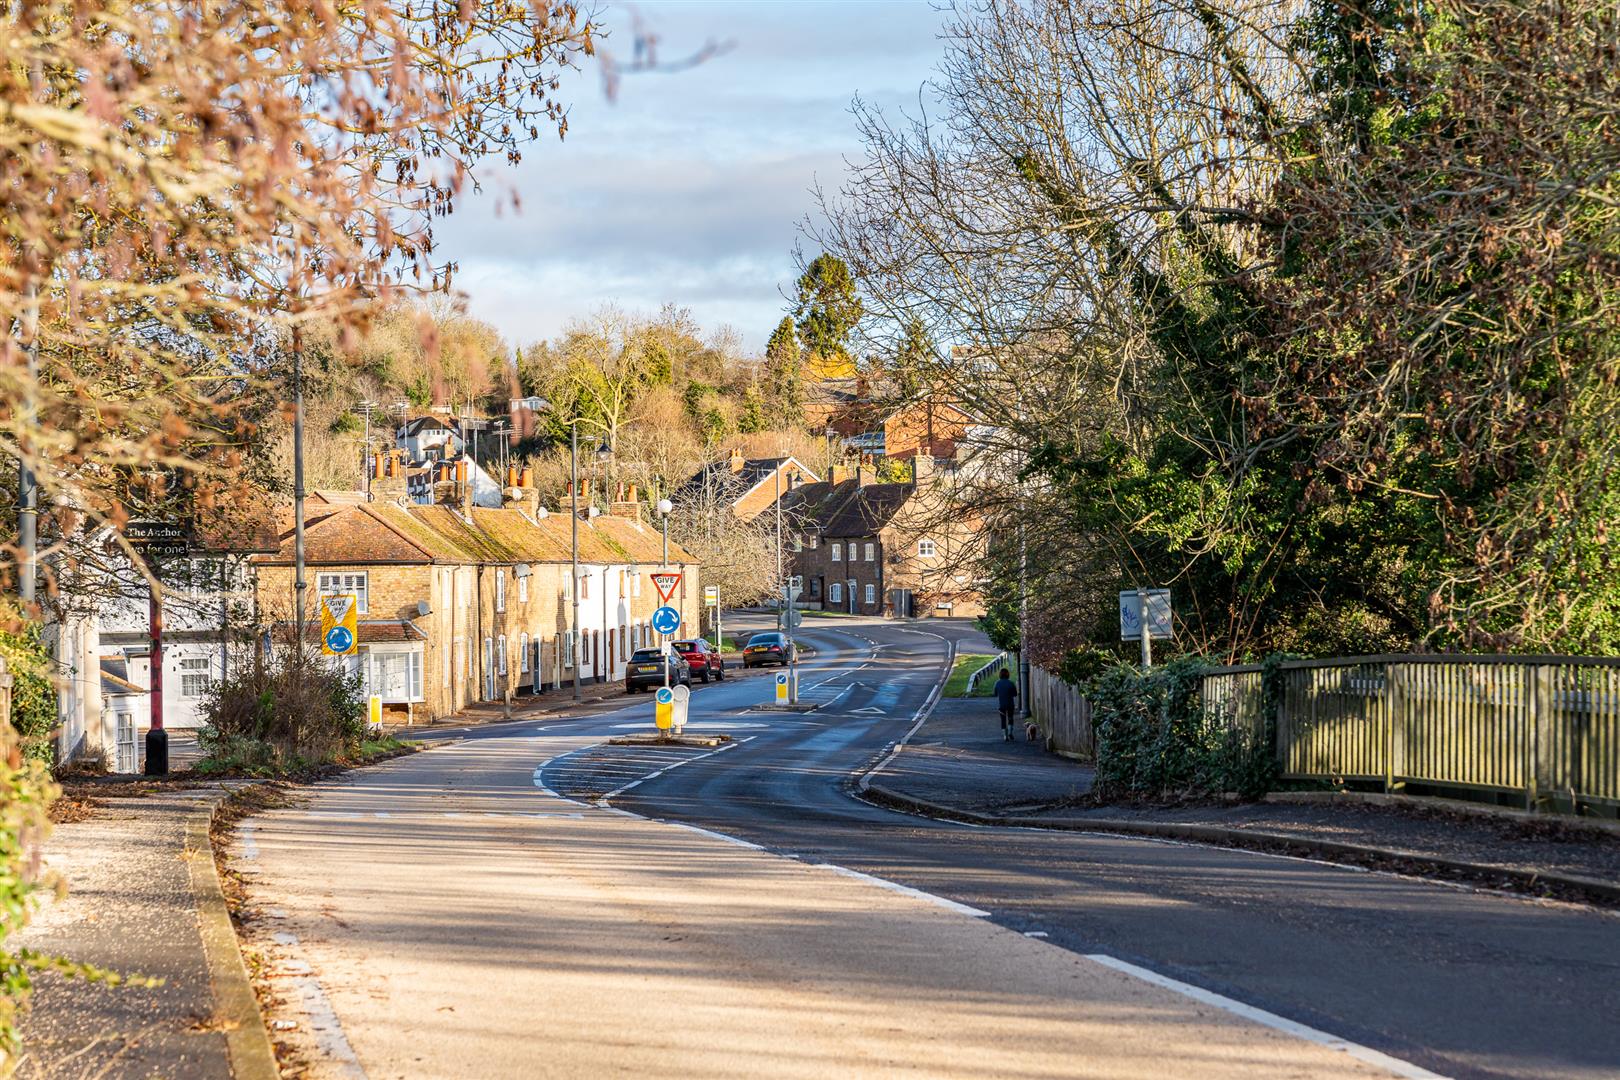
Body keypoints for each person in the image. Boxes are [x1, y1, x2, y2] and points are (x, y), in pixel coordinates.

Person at [991, 668, 1018, 741]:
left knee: (1003, 720)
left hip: (1001, 705)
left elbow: (995, 694)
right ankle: (1010, 732)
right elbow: (1015, 694)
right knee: (1010, 718)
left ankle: (1005, 736)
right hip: (1010, 704)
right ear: (1008, 674)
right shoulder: (1011, 683)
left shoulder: (997, 683)